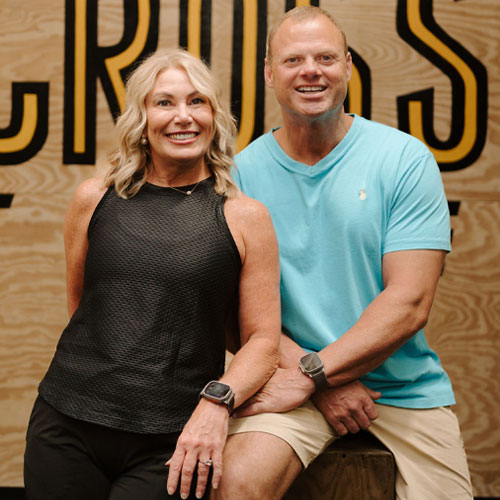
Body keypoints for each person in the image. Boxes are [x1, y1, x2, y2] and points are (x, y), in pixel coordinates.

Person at [215, 6, 473, 500]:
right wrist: (319, 382)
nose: (310, 70)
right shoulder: (239, 176)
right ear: (270, 73)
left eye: (325, 57)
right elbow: (233, 311)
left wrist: (315, 373)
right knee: (234, 483)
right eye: (293, 60)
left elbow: (410, 302)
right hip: (289, 385)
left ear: (349, 67)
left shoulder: (403, 160)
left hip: (402, 389)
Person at [24, 48, 281, 500]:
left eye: (197, 101)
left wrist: (217, 402)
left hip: (173, 441)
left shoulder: (245, 217)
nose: (183, 117)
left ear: (215, 116)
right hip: (66, 424)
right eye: (165, 102)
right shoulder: (93, 198)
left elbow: (262, 342)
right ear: (140, 117)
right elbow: (84, 308)